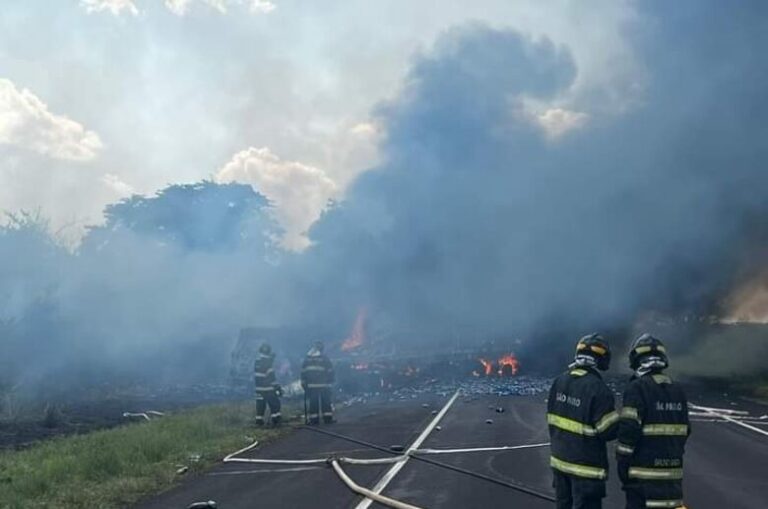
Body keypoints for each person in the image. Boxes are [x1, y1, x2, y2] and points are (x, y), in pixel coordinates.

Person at [617, 333, 690, 509]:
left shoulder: (637, 388)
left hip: (642, 477)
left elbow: (629, 430)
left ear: (636, 360)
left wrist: (622, 463)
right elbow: (686, 430)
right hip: (672, 474)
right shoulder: (678, 390)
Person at [547, 333, 618, 509]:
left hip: (560, 463)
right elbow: (607, 430)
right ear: (601, 359)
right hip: (586, 470)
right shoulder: (598, 389)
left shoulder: (560, 381)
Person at [301, 341, 335, 424]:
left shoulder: (307, 359)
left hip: (311, 386)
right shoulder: (324, 358)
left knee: (313, 403)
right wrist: (331, 381)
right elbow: (330, 371)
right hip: (324, 385)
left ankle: (314, 420)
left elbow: (303, 372)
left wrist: (304, 383)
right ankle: (327, 419)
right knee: (326, 402)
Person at [254, 342, 282, 426]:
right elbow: (271, 377)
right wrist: (278, 388)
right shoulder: (268, 362)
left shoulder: (257, 361)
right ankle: (276, 420)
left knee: (260, 406)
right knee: (275, 404)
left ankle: (259, 421)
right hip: (268, 389)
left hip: (259, 389)